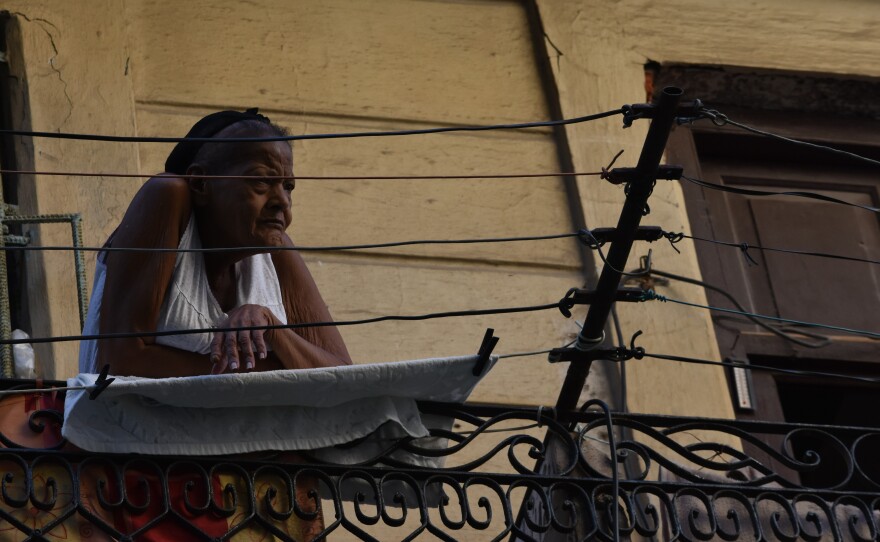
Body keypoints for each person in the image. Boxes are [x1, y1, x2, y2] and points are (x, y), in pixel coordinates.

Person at [79, 109, 352, 377]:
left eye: (288, 186)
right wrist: (281, 370)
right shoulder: (168, 195)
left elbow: (345, 376)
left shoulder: (275, 245)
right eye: (261, 181)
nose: (282, 201)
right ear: (200, 184)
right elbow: (121, 364)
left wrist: (273, 329)